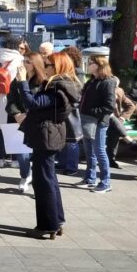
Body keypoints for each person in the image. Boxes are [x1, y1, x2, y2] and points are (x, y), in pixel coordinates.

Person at [15, 51, 82, 239]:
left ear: (58, 66)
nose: (44, 68)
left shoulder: (59, 87)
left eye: (47, 65)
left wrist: (22, 82)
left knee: (43, 182)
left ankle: (47, 225)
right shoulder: (60, 85)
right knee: (48, 179)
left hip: (47, 136)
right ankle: (56, 222)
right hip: (47, 134)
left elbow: (33, 103)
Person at [7, 53, 46, 193]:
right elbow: (10, 99)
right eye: (24, 61)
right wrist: (16, 114)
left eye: (28, 62)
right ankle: (25, 175)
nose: (24, 64)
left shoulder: (42, 81)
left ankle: (37, 182)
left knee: (37, 154)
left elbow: (39, 102)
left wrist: (28, 114)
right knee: (21, 154)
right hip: (19, 120)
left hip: (35, 121)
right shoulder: (17, 79)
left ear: (36, 64)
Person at [78, 55, 117, 193]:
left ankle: (105, 182)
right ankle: (90, 178)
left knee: (100, 151)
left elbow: (109, 106)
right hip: (87, 120)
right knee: (89, 150)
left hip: (99, 122)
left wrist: (91, 111)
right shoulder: (92, 81)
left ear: (98, 65)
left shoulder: (108, 82)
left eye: (90, 63)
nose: (88, 65)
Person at [56, 46, 84, 175]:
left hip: (72, 110)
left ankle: (72, 167)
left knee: (72, 139)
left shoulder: (77, 72)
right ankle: (62, 163)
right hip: (65, 109)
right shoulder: (67, 71)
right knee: (64, 138)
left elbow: (77, 92)